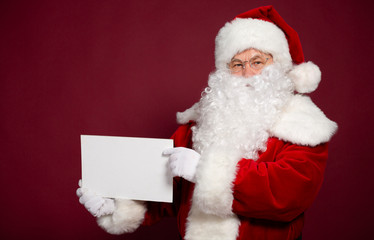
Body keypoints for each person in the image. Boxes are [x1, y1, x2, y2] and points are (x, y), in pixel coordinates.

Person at [76, 6, 337, 240]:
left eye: (257, 62)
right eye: (236, 64)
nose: (246, 73)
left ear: (279, 66)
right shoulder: (198, 124)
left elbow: (289, 192)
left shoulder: (303, 126)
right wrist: (118, 203)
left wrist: (206, 172)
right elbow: (168, 190)